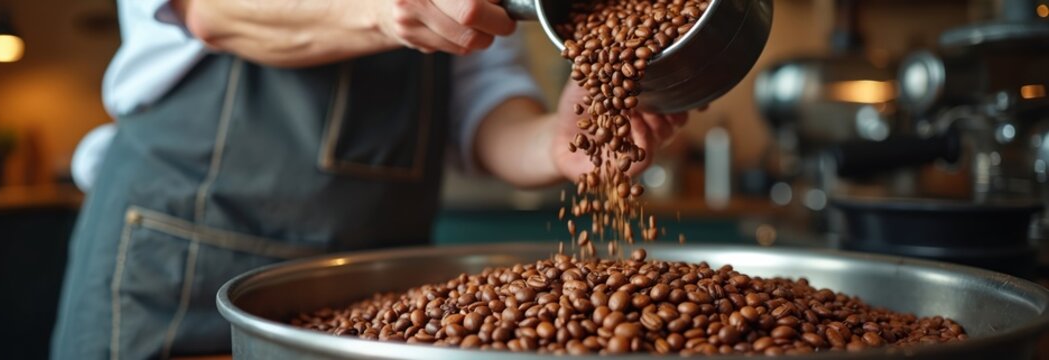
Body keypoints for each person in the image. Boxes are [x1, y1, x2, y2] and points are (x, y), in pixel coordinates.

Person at [51, 0, 687, 358]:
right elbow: (211, 11)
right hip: (180, 258)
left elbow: (484, 97)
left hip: (375, 295)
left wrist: (556, 143)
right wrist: (381, 12)